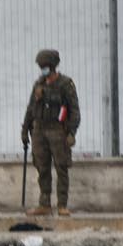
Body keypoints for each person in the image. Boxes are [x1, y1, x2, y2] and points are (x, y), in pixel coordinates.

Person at [21, 49, 80, 217]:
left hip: (58, 130)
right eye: (41, 67)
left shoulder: (65, 84)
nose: (43, 70)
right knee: (42, 167)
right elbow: (31, 108)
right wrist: (25, 130)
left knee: (61, 167)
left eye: (45, 66)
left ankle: (62, 204)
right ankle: (44, 204)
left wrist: (72, 133)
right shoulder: (39, 84)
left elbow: (74, 111)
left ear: (53, 66)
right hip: (39, 129)